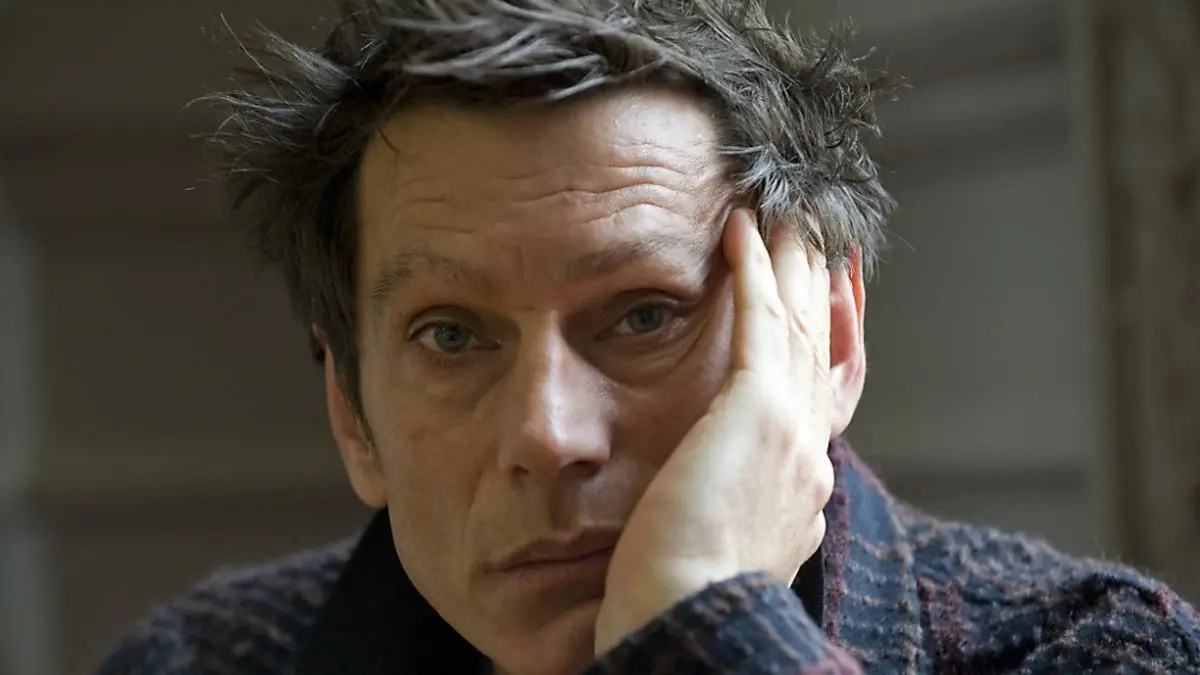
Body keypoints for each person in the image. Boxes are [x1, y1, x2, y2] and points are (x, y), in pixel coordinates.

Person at [96, 1, 1200, 673]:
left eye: (643, 316)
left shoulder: (1106, 652)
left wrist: (708, 624)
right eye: (451, 336)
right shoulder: (201, 659)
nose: (549, 435)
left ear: (826, 339)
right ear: (352, 416)